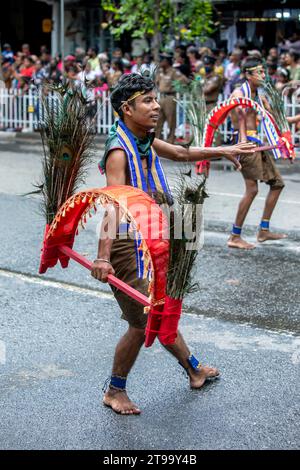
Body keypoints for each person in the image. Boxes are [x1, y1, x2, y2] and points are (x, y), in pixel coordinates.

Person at [92, 73, 256, 415]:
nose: (156, 107)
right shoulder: (119, 152)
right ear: (126, 109)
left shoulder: (144, 139)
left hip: (155, 238)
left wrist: (223, 150)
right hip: (128, 246)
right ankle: (114, 390)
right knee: (141, 322)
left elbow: (182, 153)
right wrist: (103, 257)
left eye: (155, 99)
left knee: (163, 310)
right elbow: (112, 204)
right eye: (148, 101)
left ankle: (194, 370)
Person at [227, 57, 287, 250]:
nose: (263, 75)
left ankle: (263, 230)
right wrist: (243, 145)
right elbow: (239, 120)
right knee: (252, 190)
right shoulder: (239, 94)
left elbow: (276, 118)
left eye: (263, 72)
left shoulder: (259, 96)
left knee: (277, 184)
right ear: (248, 74)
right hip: (246, 145)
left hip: (257, 144)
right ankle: (234, 236)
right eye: (259, 72)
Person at [155, 54, 188, 144]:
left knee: (171, 121)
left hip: (170, 97)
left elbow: (185, 81)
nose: (160, 62)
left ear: (167, 61)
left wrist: (175, 88)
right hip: (161, 97)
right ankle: (156, 140)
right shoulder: (160, 71)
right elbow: (156, 82)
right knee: (158, 120)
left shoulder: (174, 72)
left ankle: (171, 140)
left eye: (162, 60)